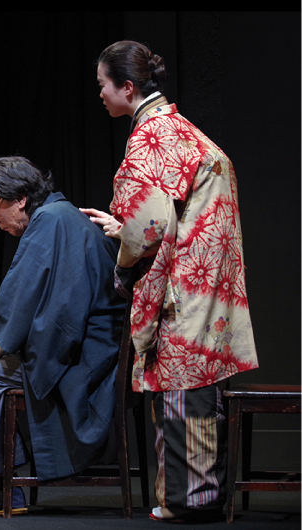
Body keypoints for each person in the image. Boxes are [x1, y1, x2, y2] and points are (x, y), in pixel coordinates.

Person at [82, 40, 259, 523]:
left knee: (184, 382)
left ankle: (188, 501)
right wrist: (128, 228)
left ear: (127, 87)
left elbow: (151, 225)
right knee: (197, 383)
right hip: (209, 278)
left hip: (186, 282)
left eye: (103, 85)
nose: (100, 94)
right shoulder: (180, 127)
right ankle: (195, 496)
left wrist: (125, 258)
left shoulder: (152, 133)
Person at [0, 156, 126, 516]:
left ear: (20, 200)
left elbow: (25, 293)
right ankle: (7, 483)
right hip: (97, 348)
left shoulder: (50, 221)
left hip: (85, 359)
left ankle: (3, 488)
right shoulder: (62, 215)